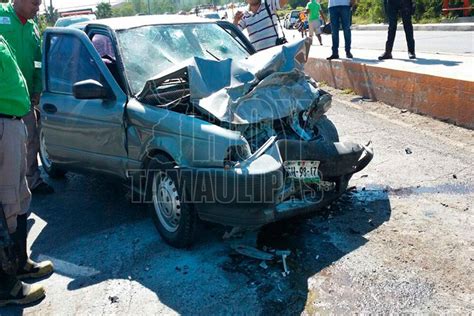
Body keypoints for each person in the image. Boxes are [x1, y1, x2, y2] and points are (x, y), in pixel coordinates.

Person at [0, 35, 53, 307]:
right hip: (3, 125)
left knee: (20, 197)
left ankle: (19, 263)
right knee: (7, 203)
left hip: (13, 122)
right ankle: (5, 285)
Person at [0, 0, 54, 195]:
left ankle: (32, 182)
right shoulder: (1, 15)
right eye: (34, 3)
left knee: (29, 140)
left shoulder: (32, 29)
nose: (38, 8)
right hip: (3, 99)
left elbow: (38, 62)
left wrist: (37, 89)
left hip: (24, 99)